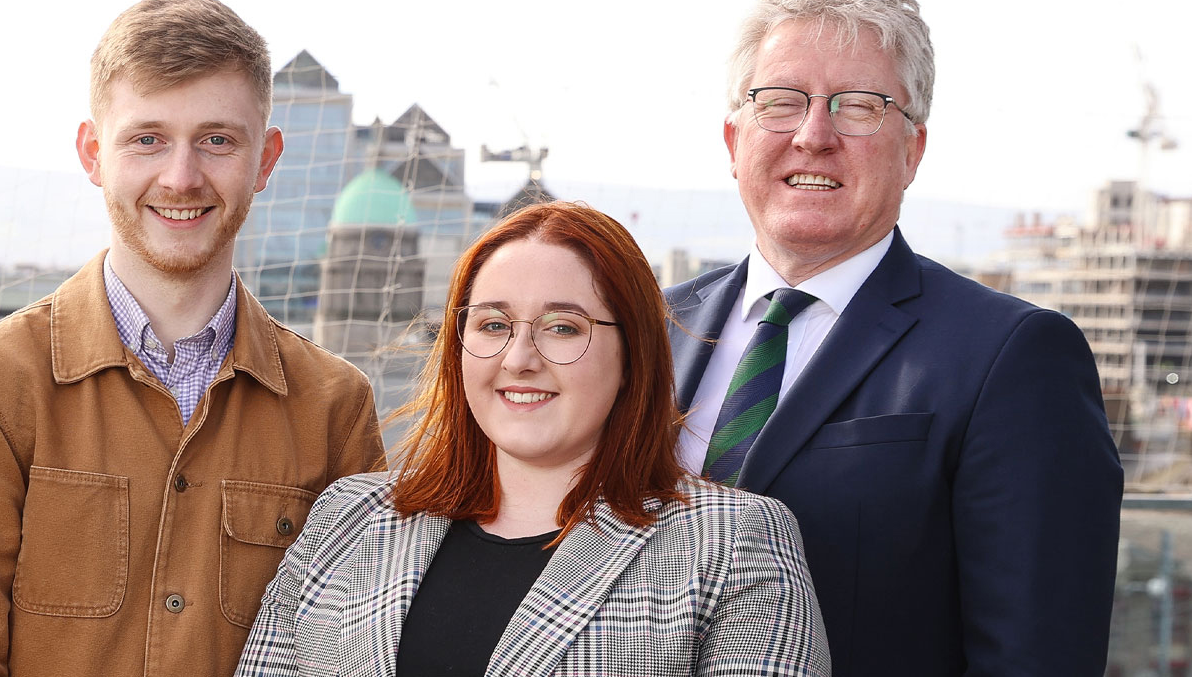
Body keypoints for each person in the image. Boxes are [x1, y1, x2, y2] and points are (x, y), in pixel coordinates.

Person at [0, 0, 383, 675]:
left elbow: (352, 653)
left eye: (217, 140)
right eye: (146, 138)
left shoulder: (334, 407)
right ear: (94, 153)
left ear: (266, 159)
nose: (181, 178)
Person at [666, 0, 1124, 674]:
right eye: (781, 100)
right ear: (735, 141)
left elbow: (1037, 656)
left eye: (857, 105)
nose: (814, 135)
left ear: (913, 150)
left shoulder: (1014, 355)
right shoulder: (646, 326)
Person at [238, 202, 829, 676]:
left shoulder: (731, 545)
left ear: (633, 355)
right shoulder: (346, 522)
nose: (519, 358)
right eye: (494, 324)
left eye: (562, 328)